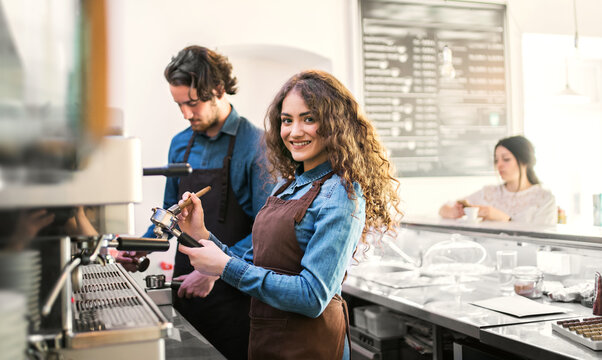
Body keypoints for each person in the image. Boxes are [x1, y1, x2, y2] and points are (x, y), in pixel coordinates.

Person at [176, 70, 402, 359]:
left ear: (335, 125)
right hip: (269, 339)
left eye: (309, 118)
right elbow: (255, 262)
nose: (294, 131)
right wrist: (203, 235)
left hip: (311, 346)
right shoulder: (289, 187)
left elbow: (312, 296)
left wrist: (223, 268)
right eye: (287, 120)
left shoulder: (341, 194)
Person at [124, 45, 273, 360]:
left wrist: (216, 270)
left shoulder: (257, 146)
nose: (186, 114)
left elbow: (267, 233)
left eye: (193, 103)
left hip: (236, 295)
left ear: (218, 90)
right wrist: (141, 245)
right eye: (179, 105)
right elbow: (170, 215)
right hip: (185, 288)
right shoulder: (180, 144)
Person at [439, 135, 557, 225]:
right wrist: (452, 212)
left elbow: (541, 242)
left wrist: (505, 219)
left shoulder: (544, 199)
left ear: (524, 161)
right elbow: (444, 208)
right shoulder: (488, 192)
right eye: (496, 160)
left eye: (506, 159)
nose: (499, 165)